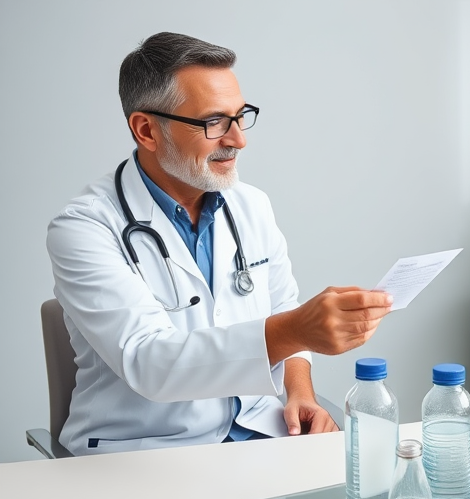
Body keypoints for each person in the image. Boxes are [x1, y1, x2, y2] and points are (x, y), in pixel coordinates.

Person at [46, 32, 392, 456]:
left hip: (260, 444)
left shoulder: (251, 205)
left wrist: (299, 391)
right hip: (144, 454)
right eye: (213, 122)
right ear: (146, 130)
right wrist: (299, 329)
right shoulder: (83, 229)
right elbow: (150, 363)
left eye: (240, 115)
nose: (238, 139)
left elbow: (284, 309)